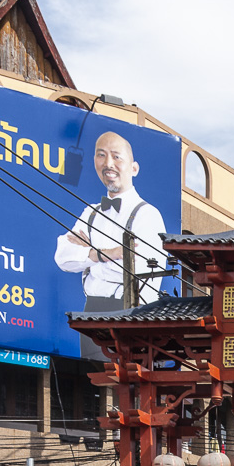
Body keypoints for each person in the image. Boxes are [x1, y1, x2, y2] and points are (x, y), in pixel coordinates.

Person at [54, 131, 168, 354]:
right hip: (91, 312)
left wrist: (88, 256)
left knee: (125, 384)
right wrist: (105, 254)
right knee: (92, 378)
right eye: (101, 155)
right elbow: (62, 256)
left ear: (133, 168)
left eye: (116, 156)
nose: (108, 163)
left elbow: (140, 272)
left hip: (130, 313)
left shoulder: (147, 215)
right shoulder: (91, 212)